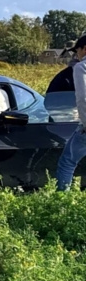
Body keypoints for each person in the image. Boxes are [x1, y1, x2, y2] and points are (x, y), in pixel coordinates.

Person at [57, 35, 86, 190]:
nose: (77, 55)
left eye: (78, 51)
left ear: (85, 48)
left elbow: (83, 98)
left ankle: (62, 203)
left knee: (67, 163)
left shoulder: (82, 67)